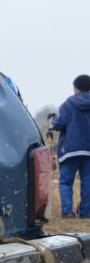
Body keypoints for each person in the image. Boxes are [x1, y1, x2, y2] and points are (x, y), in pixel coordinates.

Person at [51, 74, 90, 219]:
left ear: (76, 87)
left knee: (66, 181)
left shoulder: (69, 103)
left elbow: (60, 123)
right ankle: (86, 213)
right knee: (88, 181)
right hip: (89, 150)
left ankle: (67, 212)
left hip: (70, 149)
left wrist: (53, 121)